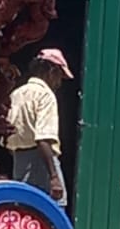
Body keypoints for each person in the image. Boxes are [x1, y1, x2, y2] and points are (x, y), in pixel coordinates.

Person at [6, 49, 72, 205]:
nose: (59, 82)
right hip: (42, 161)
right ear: (51, 71)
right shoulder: (45, 95)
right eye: (59, 76)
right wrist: (54, 177)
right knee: (55, 209)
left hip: (19, 160)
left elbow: (9, 136)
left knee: (25, 209)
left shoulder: (17, 93)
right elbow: (43, 138)